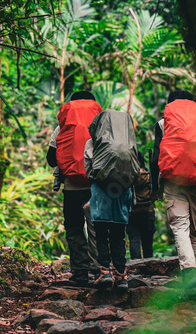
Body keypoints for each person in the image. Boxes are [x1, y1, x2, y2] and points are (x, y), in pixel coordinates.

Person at [150, 90, 196, 273]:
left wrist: (155, 186)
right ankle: (192, 269)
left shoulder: (163, 123)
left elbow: (155, 158)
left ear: (170, 106)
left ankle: (189, 268)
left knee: (180, 226)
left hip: (173, 180)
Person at [46, 91, 102, 286]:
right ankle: (99, 271)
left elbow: (51, 159)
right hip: (96, 186)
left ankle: (79, 272)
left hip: (72, 187)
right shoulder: (102, 125)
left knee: (74, 228)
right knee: (97, 228)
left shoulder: (62, 126)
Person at [84, 109, 140, 290]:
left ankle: (105, 272)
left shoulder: (92, 143)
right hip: (122, 194)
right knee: (118, 235)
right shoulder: (130, 144)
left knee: (101, 234)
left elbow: (89, 170)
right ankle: (122, 275)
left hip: (101, 194)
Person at [127, 152, 156, 259]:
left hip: (132, 212)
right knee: (148, 241)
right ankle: (149, 265)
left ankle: (136, 265)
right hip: (148, 211)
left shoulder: (127, 177)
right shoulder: (149, 176)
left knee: (134, 238)